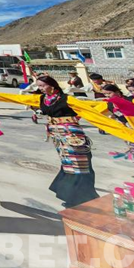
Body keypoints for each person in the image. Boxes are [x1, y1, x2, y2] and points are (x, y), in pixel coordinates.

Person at [36, 76, 99, 208]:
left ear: (52, 85)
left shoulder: (67, 99)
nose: (40, 88)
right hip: (58, 136)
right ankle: (72, 197)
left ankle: (83, 198)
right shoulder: (43, 99)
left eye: (42, 85)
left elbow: (88, 109)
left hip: (72, 134)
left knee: (79, 164)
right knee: (68, 164)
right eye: (39, 86)